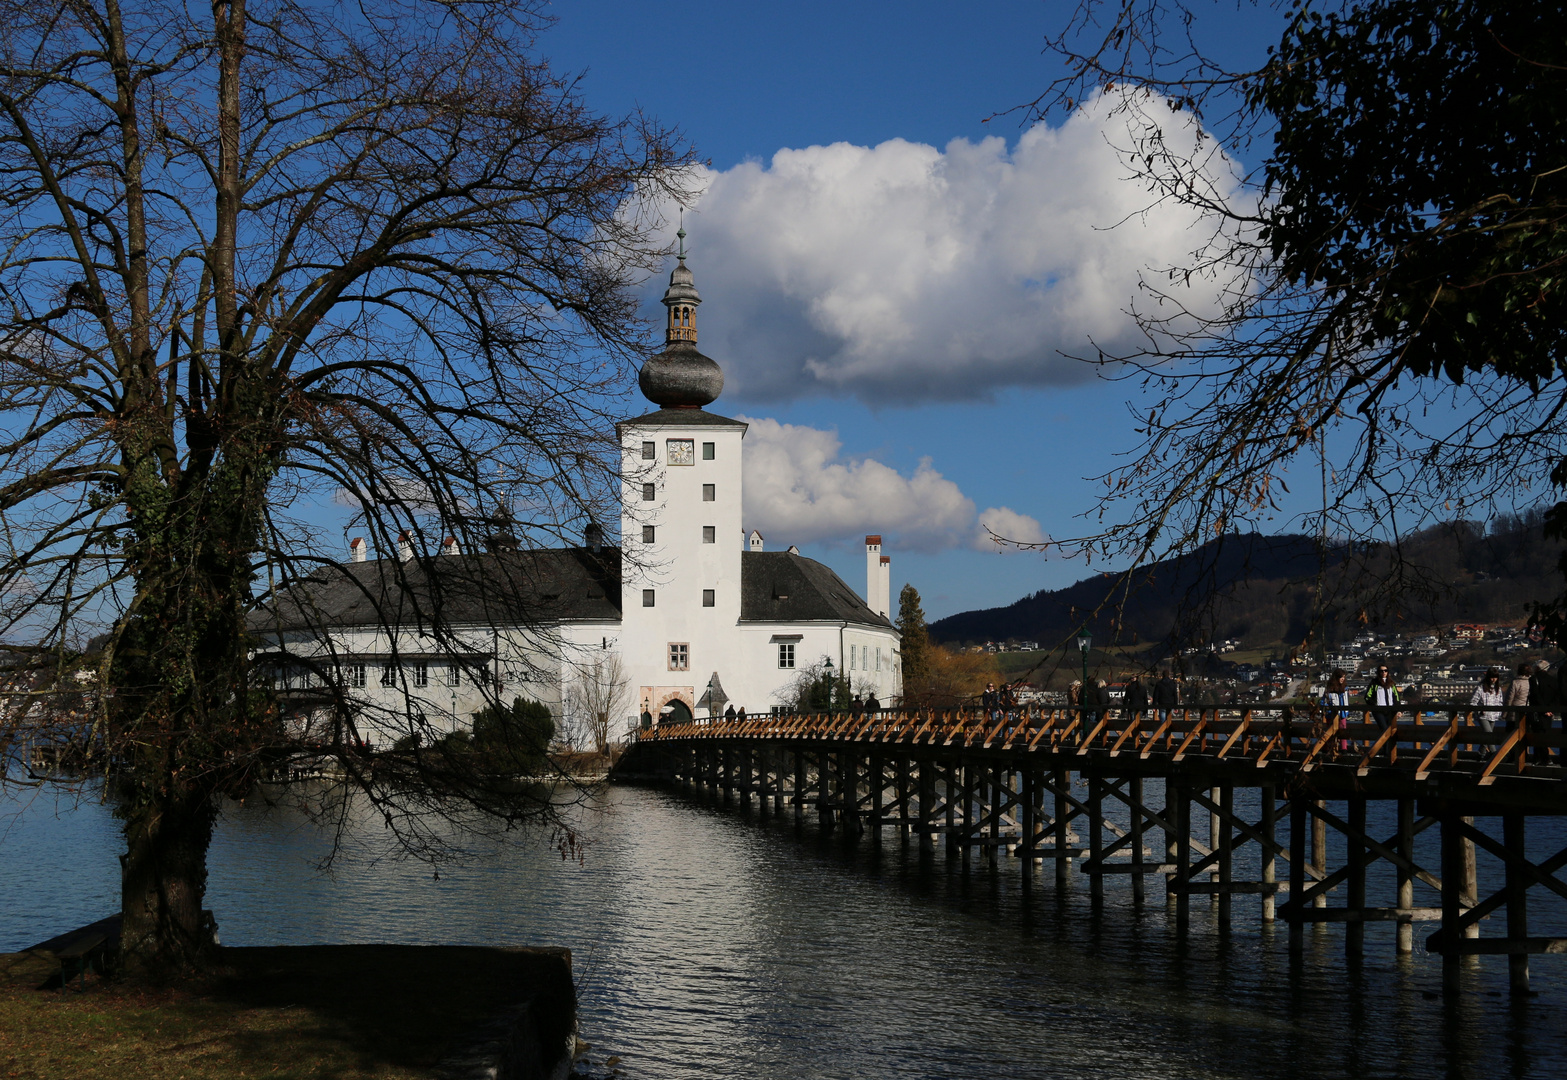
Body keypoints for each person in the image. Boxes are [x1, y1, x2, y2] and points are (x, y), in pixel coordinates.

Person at [1364, 666, 1402, 731]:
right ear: (1378, 672)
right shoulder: (1374, 683)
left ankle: (1388, 741)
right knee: (1384, 729)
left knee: (1390, 730)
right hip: (1379, 710)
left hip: (1390, 710)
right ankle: (1383, 741)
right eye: (1381, 671)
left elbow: (1396, 697)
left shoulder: (1391, 683)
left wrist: (1398, 709)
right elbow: (1367, 697)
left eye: (1385, 670)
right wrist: (1374, 705)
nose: (1384, 672)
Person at [1321, 669, 1351, 750]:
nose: (1343, 679)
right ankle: (1329, 748)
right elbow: (1324, 701)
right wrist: (1327, 710)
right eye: (1341, 677)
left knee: (1343, 731)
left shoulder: (1345, 688)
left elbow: (1347, 700)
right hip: (1331, 714)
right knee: (1330, 732)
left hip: (1343, 713)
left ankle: (1344, 748)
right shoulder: (1329, 689)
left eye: (1344, 677)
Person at [1469, 667, 1505, 734]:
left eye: (1495, 677)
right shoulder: (1480, 688)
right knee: (1489, 734)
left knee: (1486, 740)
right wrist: (1480, 710)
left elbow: (1500, 702)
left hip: (1494, 715)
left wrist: (1498, 712)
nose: (1493, 680)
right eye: (1492, 677)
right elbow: (1473, 702)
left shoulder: (1498, 689)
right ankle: (1492, 745)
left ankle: (1484, 745)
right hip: (1483, 716)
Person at [1506, 662, 1532, 734]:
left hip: (1514, 712)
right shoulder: (1532, 682)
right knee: (1525, 734)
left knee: (1510, 734)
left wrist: (1505, 713)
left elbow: (1509, 698)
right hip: (1527, 712)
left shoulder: (1515, 682)